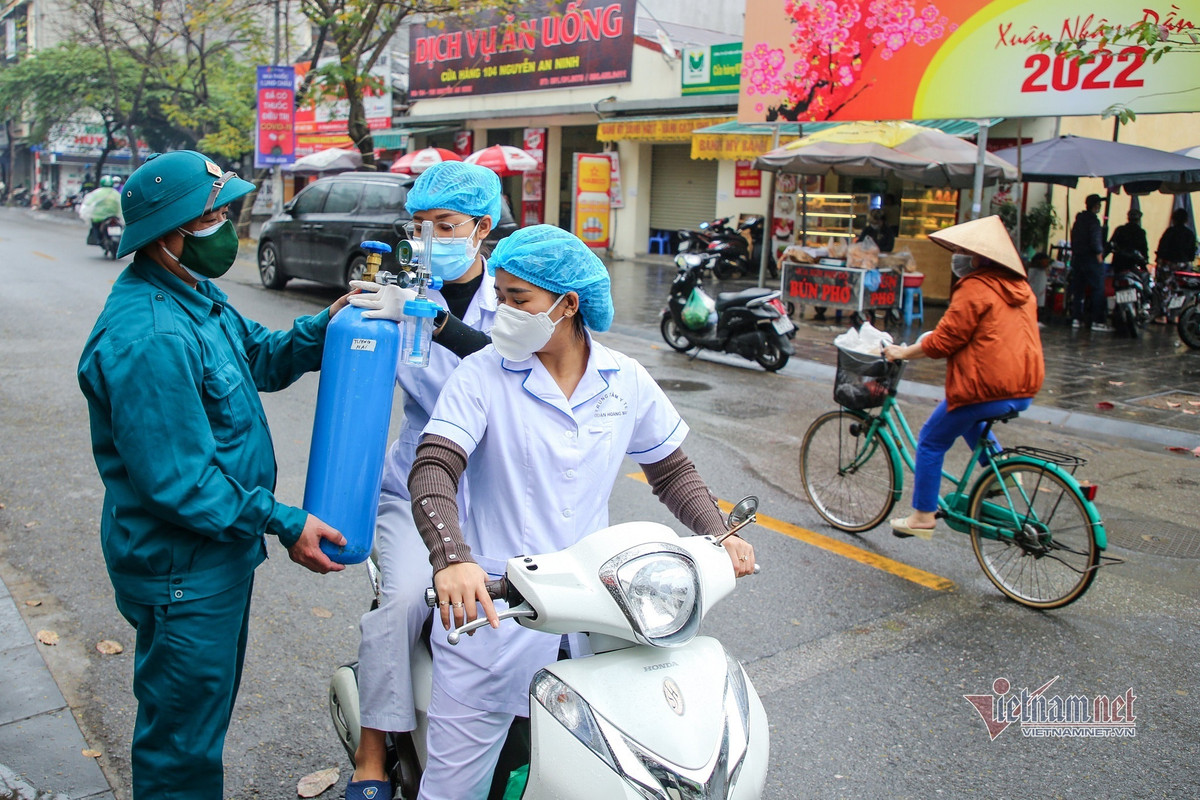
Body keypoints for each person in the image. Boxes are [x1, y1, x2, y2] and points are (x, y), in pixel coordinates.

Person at [406, 225, 756, 799]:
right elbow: (435, 468)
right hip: (495, 605)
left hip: (595, 610)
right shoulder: (482, 375)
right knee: (453, 788)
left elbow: (671, 471)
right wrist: (451, 558)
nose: (504, 313)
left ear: (567, 305)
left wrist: (720, 533)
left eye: (519, 300)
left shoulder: (625, 378)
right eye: (502, 295)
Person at [77, 150, 350, 800]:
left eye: (228, 211)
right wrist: (286, 521)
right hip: (182, 575)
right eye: (212, 216)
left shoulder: (196, 299)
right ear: (166, 233)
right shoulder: (149, 335)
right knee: (182, 752)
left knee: (199, 725)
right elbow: (182, 484)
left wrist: (326, 326)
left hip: (212, 560)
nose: (228, 225)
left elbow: (261, 354)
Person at [341, 161, 502, 800]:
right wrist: (357, 314)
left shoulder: (514, 295)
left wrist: (433, 320)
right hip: (415, 487)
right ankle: (372, 750)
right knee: (407, 600)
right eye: (421, 223)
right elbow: (352, 373)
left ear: (481, 228)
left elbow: (512, 367)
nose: (431, 235)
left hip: (494, 491)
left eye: (447, 224)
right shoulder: (398, 294)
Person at [882, 215, 1044, 539]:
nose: (962, 258)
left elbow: (945, 341)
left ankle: (923, 516)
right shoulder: (1021, 287)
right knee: (968, 419)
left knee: (930, 439)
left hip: (986, 387)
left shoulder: (976, 286)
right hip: (1023, 387)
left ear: (980, 258)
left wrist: (903, 352)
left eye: (968, 253)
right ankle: (1005, 475)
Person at [1069, 194, 1108, 331]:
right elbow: (1096, 241)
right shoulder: (1093, 222)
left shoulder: (1078, 220)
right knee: (1098, 288)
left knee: (1078, 290)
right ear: (1095, 206)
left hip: (1078, 259)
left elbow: (1073, 238)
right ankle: (1097, 320)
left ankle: (1076, 318)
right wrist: (1099, 256)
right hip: (1091, 259)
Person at [1153, 207, 1199, 324]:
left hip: (1167, 264)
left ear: (1173, 219)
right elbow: (1192, 254)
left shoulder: (1170, 232)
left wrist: (1159, 259)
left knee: (1164, 289)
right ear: (1186, 220)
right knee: (1179, 291)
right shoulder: (1189, 234)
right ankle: (1175, 315)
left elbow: (1162, 248)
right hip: (1183, 266)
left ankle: (1163, 316)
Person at [78, 175, 123, 245]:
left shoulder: (97, 193)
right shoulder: (116, 193)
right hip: (115, 216)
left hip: (99, 217)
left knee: (94, 225)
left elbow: (88, 204)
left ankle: (98, 240)